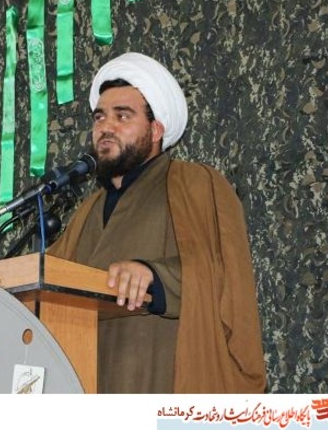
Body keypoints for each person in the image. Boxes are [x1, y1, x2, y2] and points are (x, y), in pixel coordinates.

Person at [48, 52, 266, 393]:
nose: (106, 127)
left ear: (156, 129)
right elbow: (50, 282)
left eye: (123, 116)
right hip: (88, 383)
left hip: (162, 378)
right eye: (100, 117)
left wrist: (155, 275)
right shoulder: (87, 210)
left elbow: (224, 274)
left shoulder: (195, 183)